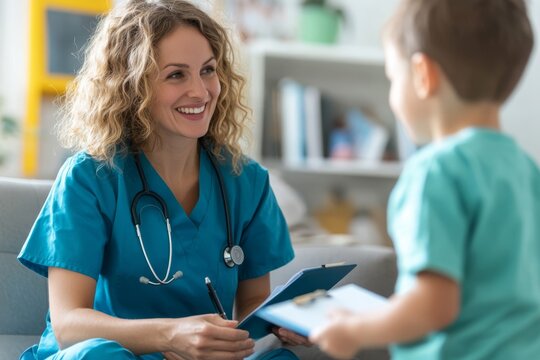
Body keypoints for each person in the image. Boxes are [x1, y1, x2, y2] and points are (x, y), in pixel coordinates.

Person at [17, 0, 308, 359]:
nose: (201, 92)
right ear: (131, 85)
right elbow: (68, 326)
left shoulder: (245, 181)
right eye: (176, 75)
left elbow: (251, 303)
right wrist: (170, 334)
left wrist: (283, 320)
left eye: (208, 70)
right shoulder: (90, 178)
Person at [310, 0, 540, 359]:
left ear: (422, 76)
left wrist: (354, 330)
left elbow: (433, 305)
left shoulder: (435, 172)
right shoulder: (525, 169)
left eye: (392, 77)